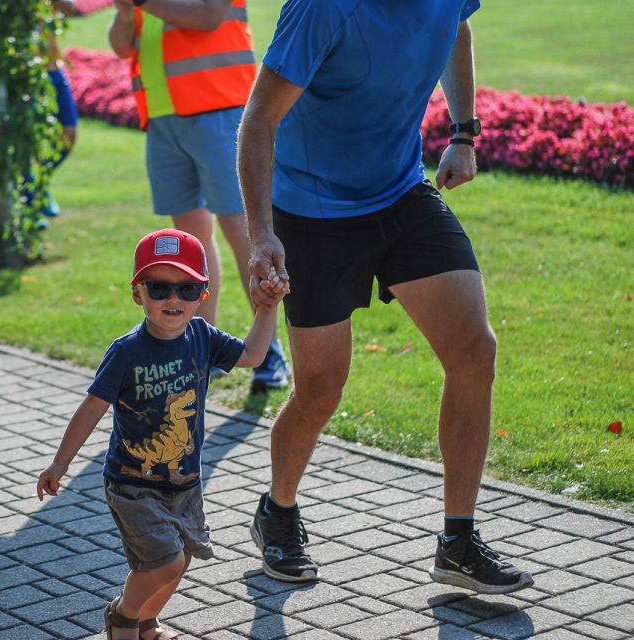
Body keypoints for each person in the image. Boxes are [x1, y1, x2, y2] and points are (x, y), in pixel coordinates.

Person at [237, 0, 535, 594]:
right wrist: (263, 234)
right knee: (321, 388)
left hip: (400, 194)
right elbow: (258, 122)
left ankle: (458, 540)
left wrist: (464, 131)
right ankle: (278, 510)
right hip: (311, 210)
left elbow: (456, 27)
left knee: (474, 348)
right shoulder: (322, 8)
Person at [36, 228, 288, 639]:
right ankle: (122, 616)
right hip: (134, 483)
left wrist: (267, 309)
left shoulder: (202, 337)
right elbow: (92, 407)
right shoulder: (126, 351)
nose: (174, 299)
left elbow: (253, 355)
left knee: (182, 557)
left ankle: (148, 623)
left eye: (187, 289)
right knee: (164, 562)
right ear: (138, 293)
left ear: (202, 295)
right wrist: (61, 462)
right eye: (160, 287)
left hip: (184, 481)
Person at [108, 0, 290, 391]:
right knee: (190, 240)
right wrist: (125, 13)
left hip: (219, 109)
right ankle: (201, 349)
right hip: (164, 118)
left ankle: (269, 351)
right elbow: (123, 45)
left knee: (243, 230)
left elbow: (210, 17)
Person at [24, 0, 80, 223]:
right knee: (27, 140)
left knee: (69, 132)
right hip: (26, 73)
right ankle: (29, 200)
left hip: (54, 69)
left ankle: (40, 182)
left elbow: (70, 7)